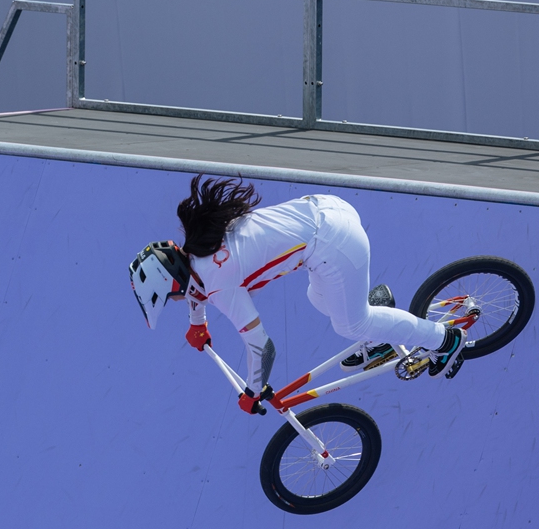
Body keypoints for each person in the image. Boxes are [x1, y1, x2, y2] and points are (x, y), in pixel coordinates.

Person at [129, 174, 466, 415]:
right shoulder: (197, 251)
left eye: (170, 298)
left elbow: (263, 347)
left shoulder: (219, 285)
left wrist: (253, 389)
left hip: (333, 245)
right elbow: (194, 287)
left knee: (349, 326)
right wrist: (197, 323)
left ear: (173, 284)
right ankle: (377, 336)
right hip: (331, 212)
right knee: (317, 298)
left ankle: (445, 340)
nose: (176, 302)